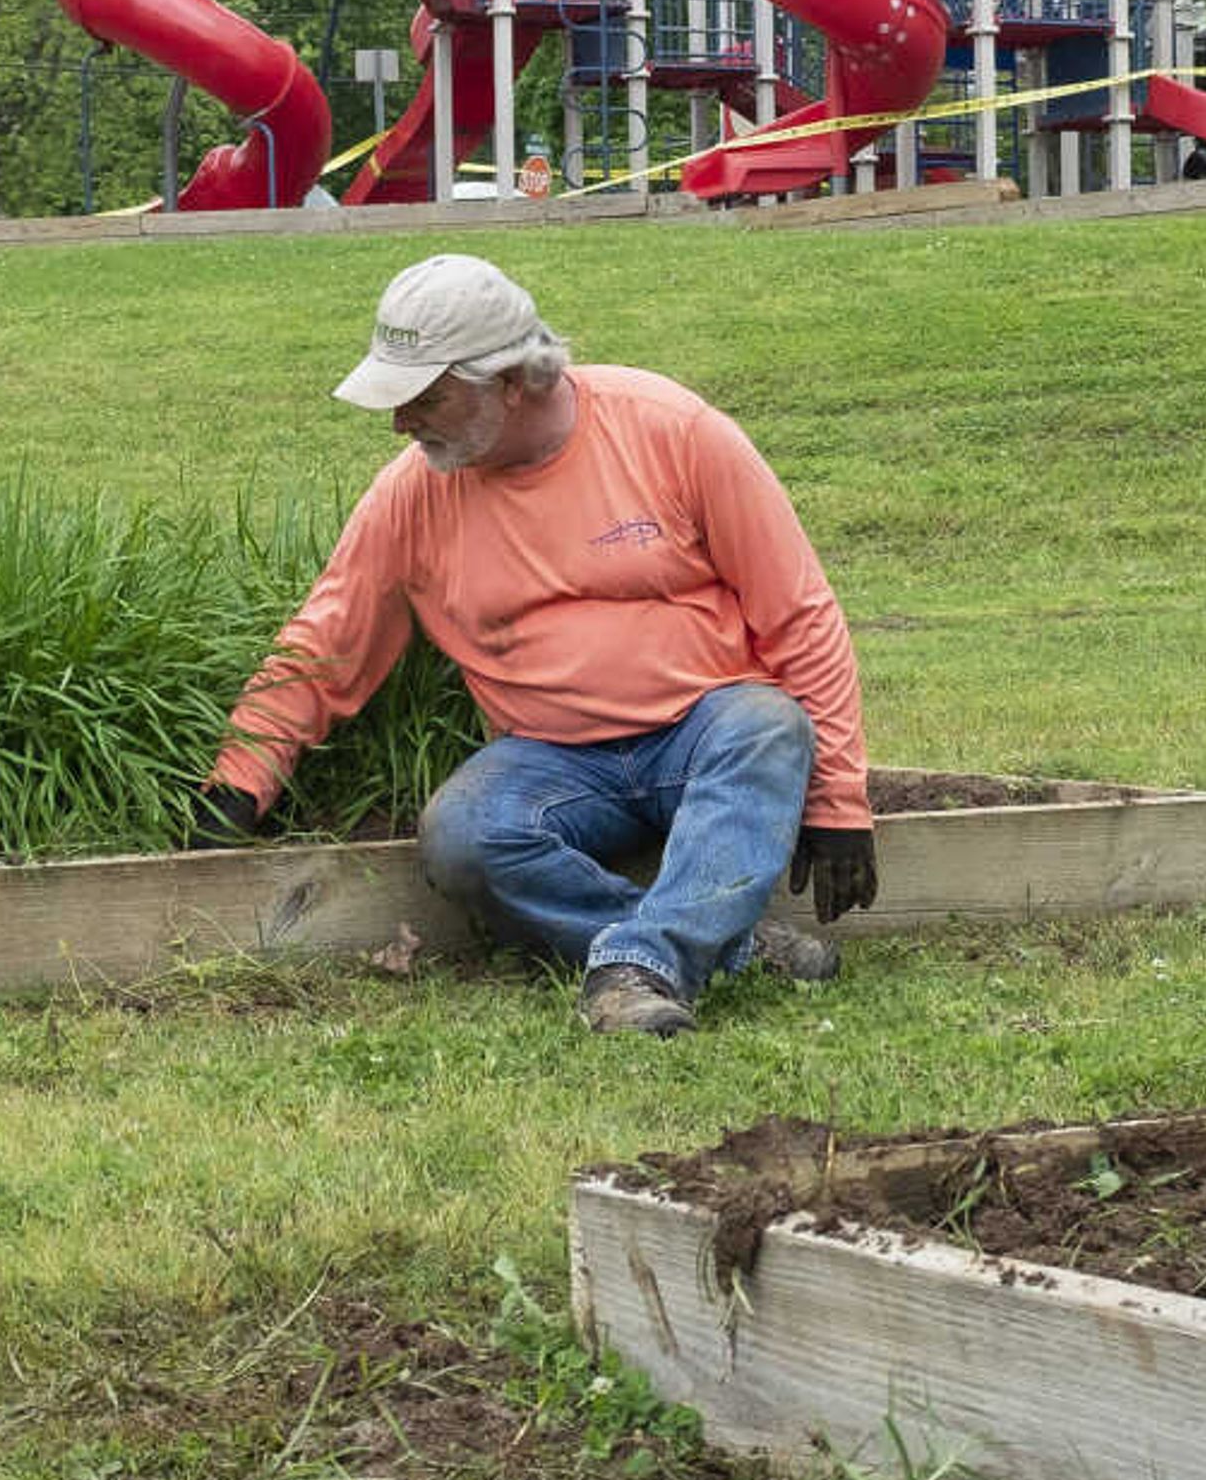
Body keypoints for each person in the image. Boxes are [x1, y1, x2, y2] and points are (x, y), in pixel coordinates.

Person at [197, 253, 878, 1038]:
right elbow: (325, 643)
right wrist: (237, 786)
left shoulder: (673, 430)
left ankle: (647, 961)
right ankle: (699, 946)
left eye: (425, 397)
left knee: (767, 724)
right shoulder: (412, 493)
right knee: (460, 834)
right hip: (553, 761)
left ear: (512, 380)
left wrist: (838, 801)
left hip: (704, 732)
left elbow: (801, 614)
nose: (399, 421)